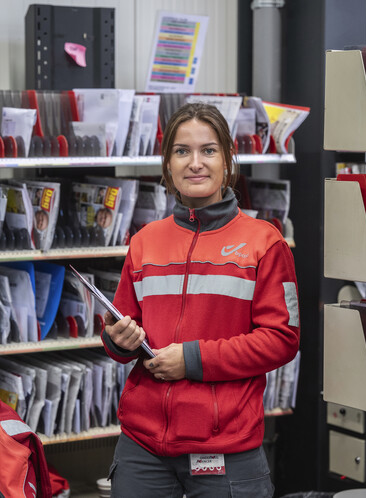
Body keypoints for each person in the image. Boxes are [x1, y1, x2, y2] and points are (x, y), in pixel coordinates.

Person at [102, 102, 300, 497]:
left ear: (227, 159)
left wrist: (192, 360)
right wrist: (118, 340)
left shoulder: (265, 243)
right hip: (142, 448)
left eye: (208, 150)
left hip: (225, 449)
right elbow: (120, 327)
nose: (195, 163)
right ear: (168, 164)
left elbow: (282, 340)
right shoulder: (144, 242)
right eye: (182, 151)